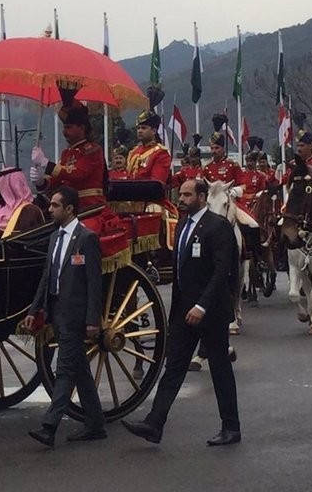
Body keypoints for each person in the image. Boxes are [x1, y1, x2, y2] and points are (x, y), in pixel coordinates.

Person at [121, 179, 240, 447]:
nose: (181, 198)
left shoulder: (217, 226)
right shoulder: (184, 224)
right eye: (180, 194)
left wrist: (202, 306)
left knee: (220, 368)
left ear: (202, 196)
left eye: (187, 194)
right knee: (174, 366)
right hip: (185, 312)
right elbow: (180, 274)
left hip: (210, 311)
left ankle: (231, 427)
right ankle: (154, 424)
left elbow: (222, 272)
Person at [24, 186, 105, 448]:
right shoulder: (55, 238)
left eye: (55, 206)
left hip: (76, 314)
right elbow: (47, 277)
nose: (50, 209)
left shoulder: (86, 238)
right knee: (79, 368)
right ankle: (95, 423)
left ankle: (50, 426)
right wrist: (33, 309)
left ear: (69, 209)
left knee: (66, 369)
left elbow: (95, 283)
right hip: (56, 311)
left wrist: (93, 319)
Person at [30, 103, 108, 217]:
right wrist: (42, 182)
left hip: (91, 207)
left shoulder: (93, 150)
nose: (64, 131)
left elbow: (77, 174)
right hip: (69, 210)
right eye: (64, 127)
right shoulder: (66, 153)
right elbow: (57, 180)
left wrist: (46, 164)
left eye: (69, 127)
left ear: (81, 128)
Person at [126, 110, 172, 186]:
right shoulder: (134, 152)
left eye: (143, 128)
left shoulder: (161, 153)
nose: (139, 131)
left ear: (154, 131)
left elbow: (157, 183)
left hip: (150, 196)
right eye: (138, 128)